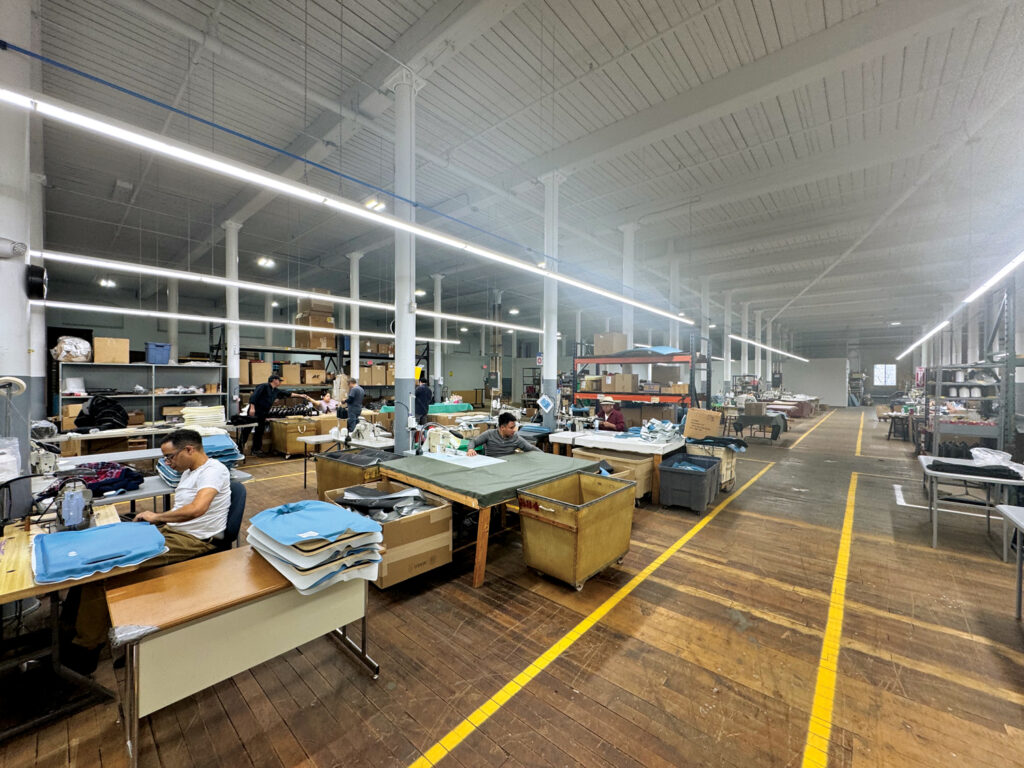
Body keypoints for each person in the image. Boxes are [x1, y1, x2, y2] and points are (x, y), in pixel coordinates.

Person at [63, 429, 232, 673]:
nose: (168, 463)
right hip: (173, 531)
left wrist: (158, 516)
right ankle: (67, 630)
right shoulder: (188, 472)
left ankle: (84, 652)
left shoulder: (213, 471)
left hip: (194, 540)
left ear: (189, 450)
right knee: (103, 551)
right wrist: (156, 520)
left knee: (107, 569)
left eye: (170, 457)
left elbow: (197, 509)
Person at [467, 412, 541, 458]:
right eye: (511, 428)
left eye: (514, 427)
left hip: (507, 466)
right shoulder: (489, 434)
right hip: (491, 465)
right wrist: (470, 449)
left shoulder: (516, 438)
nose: (514, 430)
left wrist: (545, 456)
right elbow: (473, 442)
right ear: (502, 427)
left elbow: (531, 448)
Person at [249, 374, 289, 456]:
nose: (280, 382)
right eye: (279, 380)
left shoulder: (275, 390)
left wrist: (301, 395)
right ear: (274, 380)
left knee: (260, 430)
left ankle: (256, 450)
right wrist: (252, 408)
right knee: (247, 430)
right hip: (255, 411)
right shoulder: (263, 386)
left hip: (263, 413)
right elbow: (254, 396)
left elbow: (287, 394)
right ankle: (240, 448)